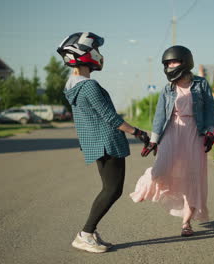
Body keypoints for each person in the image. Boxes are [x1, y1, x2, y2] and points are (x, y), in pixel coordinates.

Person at [57, 32, 150, 253]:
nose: (99, 55)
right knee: (112, 190)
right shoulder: (88, 86)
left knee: (109, 188)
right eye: (95, 50)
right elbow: (111, 118)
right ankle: (85, 234)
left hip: (95, 142)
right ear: (85, 54)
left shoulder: (72, 85)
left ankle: (89, 233)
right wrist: (138, 132)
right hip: (107, 142)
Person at [130, 45, 214, 237]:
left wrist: (211, 131)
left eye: (173, 62)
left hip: (195, 131)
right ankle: (146, 185)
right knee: (161, 168)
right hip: (171, 130)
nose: (170, 65)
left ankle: (186, 223)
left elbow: (210, 110)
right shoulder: (168, 89)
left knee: (192, 178)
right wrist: (153, 140)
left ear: (185, 62)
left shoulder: (201, 84)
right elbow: (160, 116)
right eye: (167, 63)